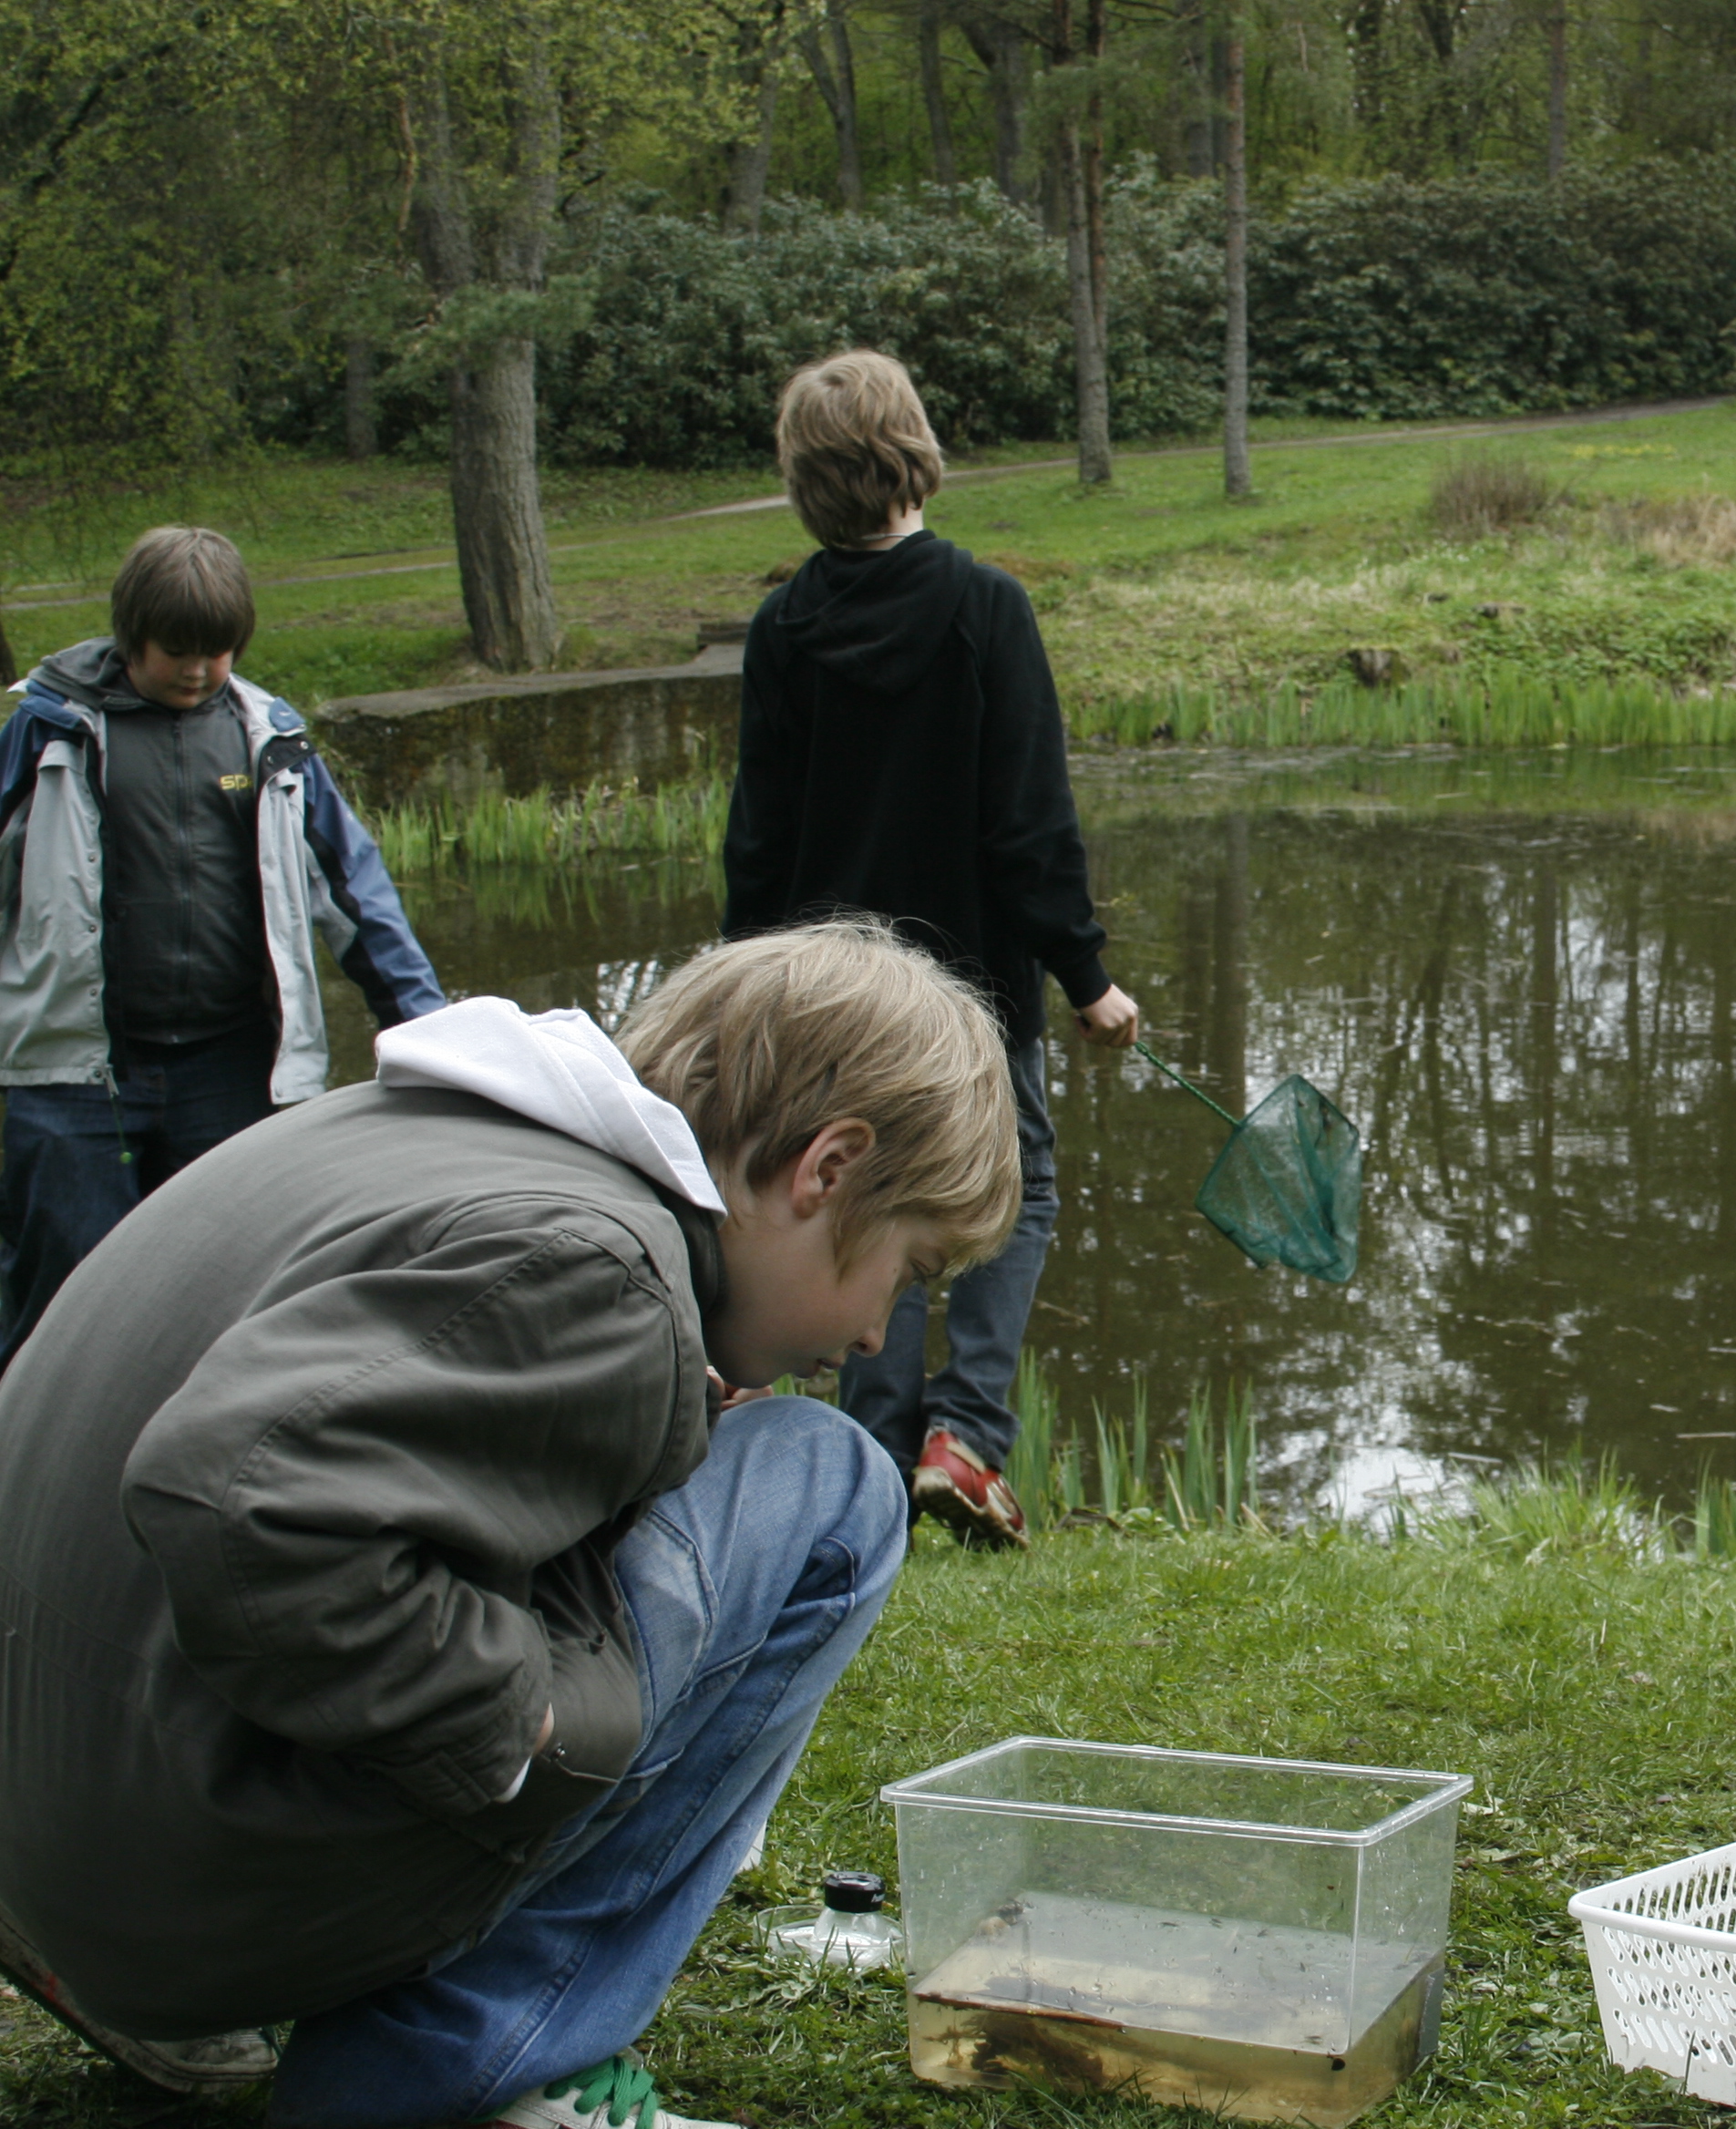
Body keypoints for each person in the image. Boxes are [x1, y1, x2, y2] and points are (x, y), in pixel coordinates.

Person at [0, 919, 1020, 2129]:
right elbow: (231, 1495)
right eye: (908, 1274)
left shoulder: (422, 1131)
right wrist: (508, 1709)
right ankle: (460, 2062)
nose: (873, 1338)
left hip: (54, 1849)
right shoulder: (602, 1272)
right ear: (829, 1168)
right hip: (175, 1895)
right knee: (833, 1486)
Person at [724, 348, 1140, 1551]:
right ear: (917, 455)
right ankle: (962, 1443)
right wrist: (1089, 978)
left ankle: (868, 1460)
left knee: (867, 1208)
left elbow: (759, 843)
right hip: (971, 993)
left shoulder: (784, 628)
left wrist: (754, 1002)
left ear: (804, 482)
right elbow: (1029, 828)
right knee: (1022, 1192)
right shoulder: (983, 608)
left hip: (836, 1007)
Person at [0, 525, 444, 1361]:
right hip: (76, 1077)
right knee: (60, 1307)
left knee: (235, 1298)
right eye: (178, 650)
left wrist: (432, 1033)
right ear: (132, 636)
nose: (200, 670)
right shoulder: (46, 732)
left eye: (220, 651)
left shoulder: (271, 743)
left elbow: (358, 898)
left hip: (232, 1073)